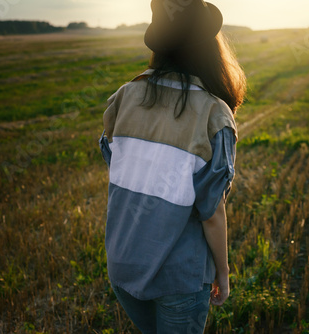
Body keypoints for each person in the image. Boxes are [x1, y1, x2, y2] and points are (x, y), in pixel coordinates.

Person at [99, 0, 246, 332]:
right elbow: (212, 211)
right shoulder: (213, 113)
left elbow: (119, 166)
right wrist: (222, 272)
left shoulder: (124, 96)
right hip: (178, 276)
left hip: (122, 265)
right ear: (209, 48)